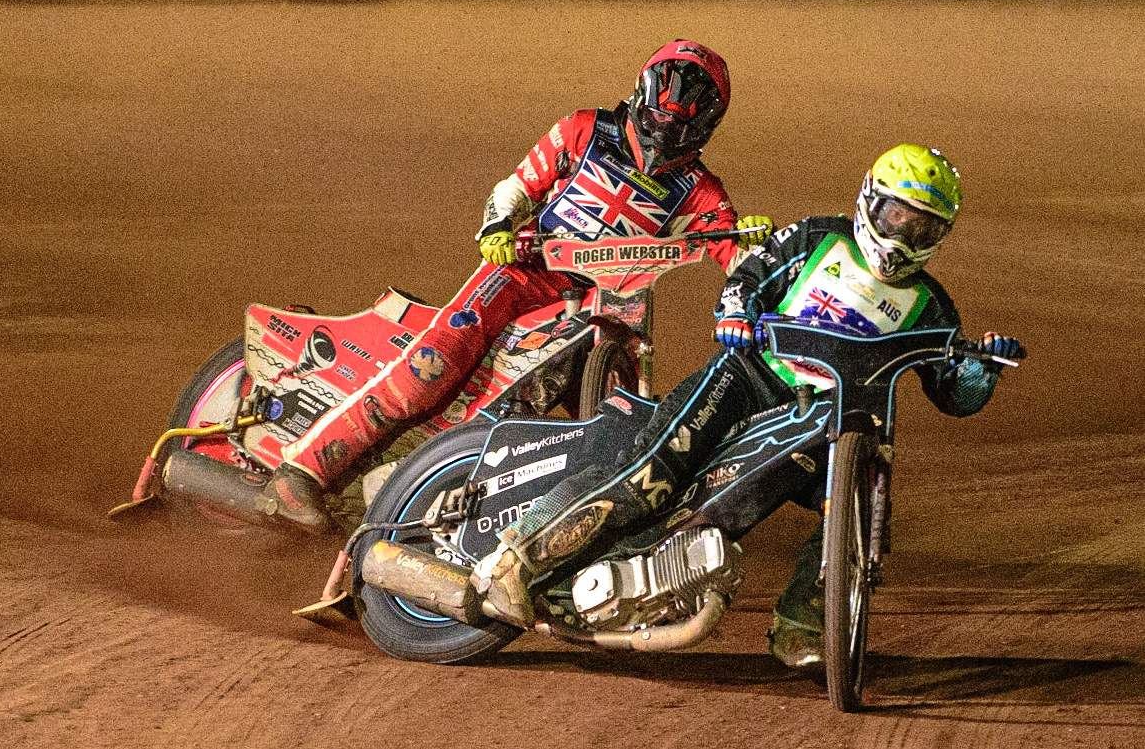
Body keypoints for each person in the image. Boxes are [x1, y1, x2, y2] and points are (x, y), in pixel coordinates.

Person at [468, 144, 1023, 673]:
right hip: (747, 377)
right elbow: (748, 276)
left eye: (922, 225)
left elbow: (955, 395)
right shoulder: (815, 239)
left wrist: (983, 370)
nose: (904, 234)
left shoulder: (934, 308)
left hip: (828, 422)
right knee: (653, 473)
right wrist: (735, 313)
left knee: (851, 510)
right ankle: (518, 561)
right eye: (896, 214)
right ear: (869, 200)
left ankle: (804, 625)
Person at [260, 40, 771, 534]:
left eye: (681, 124)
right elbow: (516, 188)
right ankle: (303, 472)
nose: (665, 130)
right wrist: (498, 227)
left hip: (611, 305)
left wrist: (762, 251)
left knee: (624, 425)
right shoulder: (584, 130)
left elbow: (737, 256)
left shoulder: (702, 191)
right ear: (641, 94)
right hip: (525, 273)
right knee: (433, 364)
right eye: (660, 114)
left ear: (705, 127)